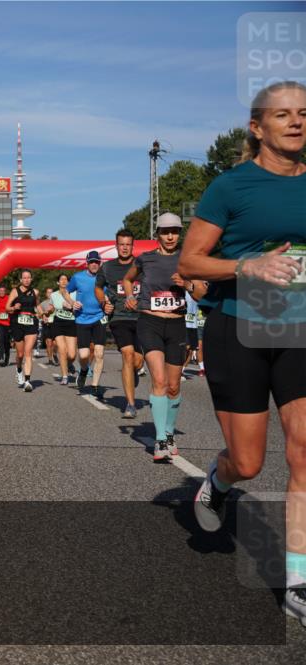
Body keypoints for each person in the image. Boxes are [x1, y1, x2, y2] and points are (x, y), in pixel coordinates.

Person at [178, 80, 306, 626]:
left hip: (299, 329)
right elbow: (190, 262)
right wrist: (246, 267)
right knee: (250, 462)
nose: (296, 122)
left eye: (303, 113)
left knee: (304, 455)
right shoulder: (231, 188)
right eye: (283, 115)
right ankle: (220, 481)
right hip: (238, 329)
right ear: (258, 128)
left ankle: (299, 579)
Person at [123, 213, 204, 462]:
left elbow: (201, 292)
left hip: (177, 324)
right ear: (157, 233)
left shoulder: (186, 260)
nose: (170, 236)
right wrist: (129, 295)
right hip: (150, 322)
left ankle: (169, 433)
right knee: (158, 379)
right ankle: (160, 440)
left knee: (173, 385)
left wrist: (188, 285)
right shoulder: (145, 258)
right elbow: (127, 279)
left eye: (175, 231)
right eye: (165, 231)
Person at [95, 229, 145, 418]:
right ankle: (130, 405)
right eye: (121, 244)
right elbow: (98, 288)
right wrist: (104, 302)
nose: (124, 248)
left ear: (132, 246)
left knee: (137, 360)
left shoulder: (142, 265)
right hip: (119, 318)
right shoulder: (108, 268)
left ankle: (135, 370)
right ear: (116, 246)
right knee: (127, 353)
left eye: (128, 244)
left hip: (141, 317)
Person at [67, 251, 110, 399]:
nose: (94, 264)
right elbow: (65, 291)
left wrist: (109, 303)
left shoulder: (105, 278)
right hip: (82, 320)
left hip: (99, 318)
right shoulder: (78, 277)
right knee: (84, 355)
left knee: (99, 353)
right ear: (87, 263)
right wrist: (73, 303)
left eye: (96, 262)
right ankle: (84, 370)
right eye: (91, 262)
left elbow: (112, 294)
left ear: (100, 263)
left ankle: (95, 386)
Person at [6, 269, 40, 392]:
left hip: (31, 324)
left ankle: (27, 381)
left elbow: (37, 306)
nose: (26, 280)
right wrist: (14, 307)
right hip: (17, 324)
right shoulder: (15, 292)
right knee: (20, 354)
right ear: (21, 280)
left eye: (28, 277)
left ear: (31, 279)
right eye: (24, 278)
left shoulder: (35, 292)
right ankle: (19, 369)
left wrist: (42, 313)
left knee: (28, 352)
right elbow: (7, 308)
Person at [50, 274, 78, 385]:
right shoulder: (53, 295)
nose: (64, 281)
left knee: (71, 354)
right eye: (61, 279)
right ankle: (65, 376)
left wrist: (71, 307)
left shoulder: (75, 294)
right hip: (58, 323)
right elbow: (54, 307)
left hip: (71, 323)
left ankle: (69, 364)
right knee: (62, 349)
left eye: (66, 279)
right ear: (58, 282)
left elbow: (79, 308)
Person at [40, 287, 57, 366]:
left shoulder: (57, 302)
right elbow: (38, 314)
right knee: (49, 343)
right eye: (48, 292)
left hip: (56, 324)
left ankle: (54, 353)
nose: (50, 294)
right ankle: (50, 359)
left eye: (51, 292)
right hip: (47, 324)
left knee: (55, 343)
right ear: (46, 294)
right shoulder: (43, 303)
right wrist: (43, 315)